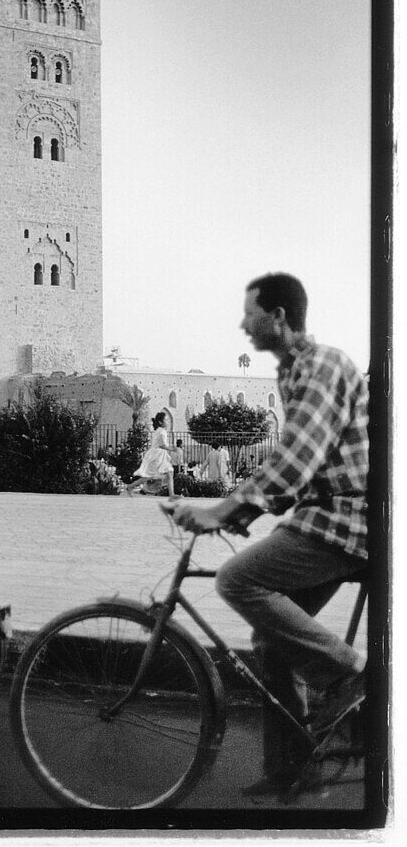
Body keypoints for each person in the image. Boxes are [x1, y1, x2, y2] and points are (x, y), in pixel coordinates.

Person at [173, 273, 368, 797]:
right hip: (323, 517)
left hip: (350, 520)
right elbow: (298, 469)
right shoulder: (295, 372)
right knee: (272, 637)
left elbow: (299, 457)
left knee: (237, 580)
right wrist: (238, 512)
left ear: (277, 317)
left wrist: (227, 509)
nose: (243, 324)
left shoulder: (322, 365)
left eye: (250, 313)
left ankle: (348, 674)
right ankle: (295, 769)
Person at [123, 412, 175, 499]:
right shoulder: (161, 432)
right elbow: (162, 445)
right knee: (149, 476)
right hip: (156, 456)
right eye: (166, 420)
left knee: (169, 473)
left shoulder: (160, 431)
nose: (168, 422)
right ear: (160, 422)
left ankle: (172, 495)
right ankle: (130, 486)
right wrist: (174, 449)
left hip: (158, 455)